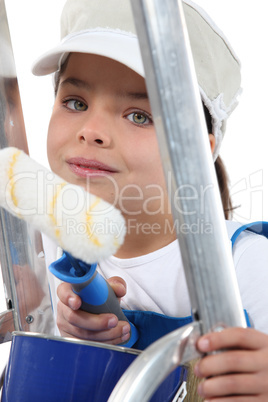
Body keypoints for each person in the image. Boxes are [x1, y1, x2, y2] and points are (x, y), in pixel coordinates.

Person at [32, 0, 268, 399]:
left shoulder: (247, 266)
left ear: (196, 151)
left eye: (139, 115)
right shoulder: (42, 248)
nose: (91, 131)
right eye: (76, 102)